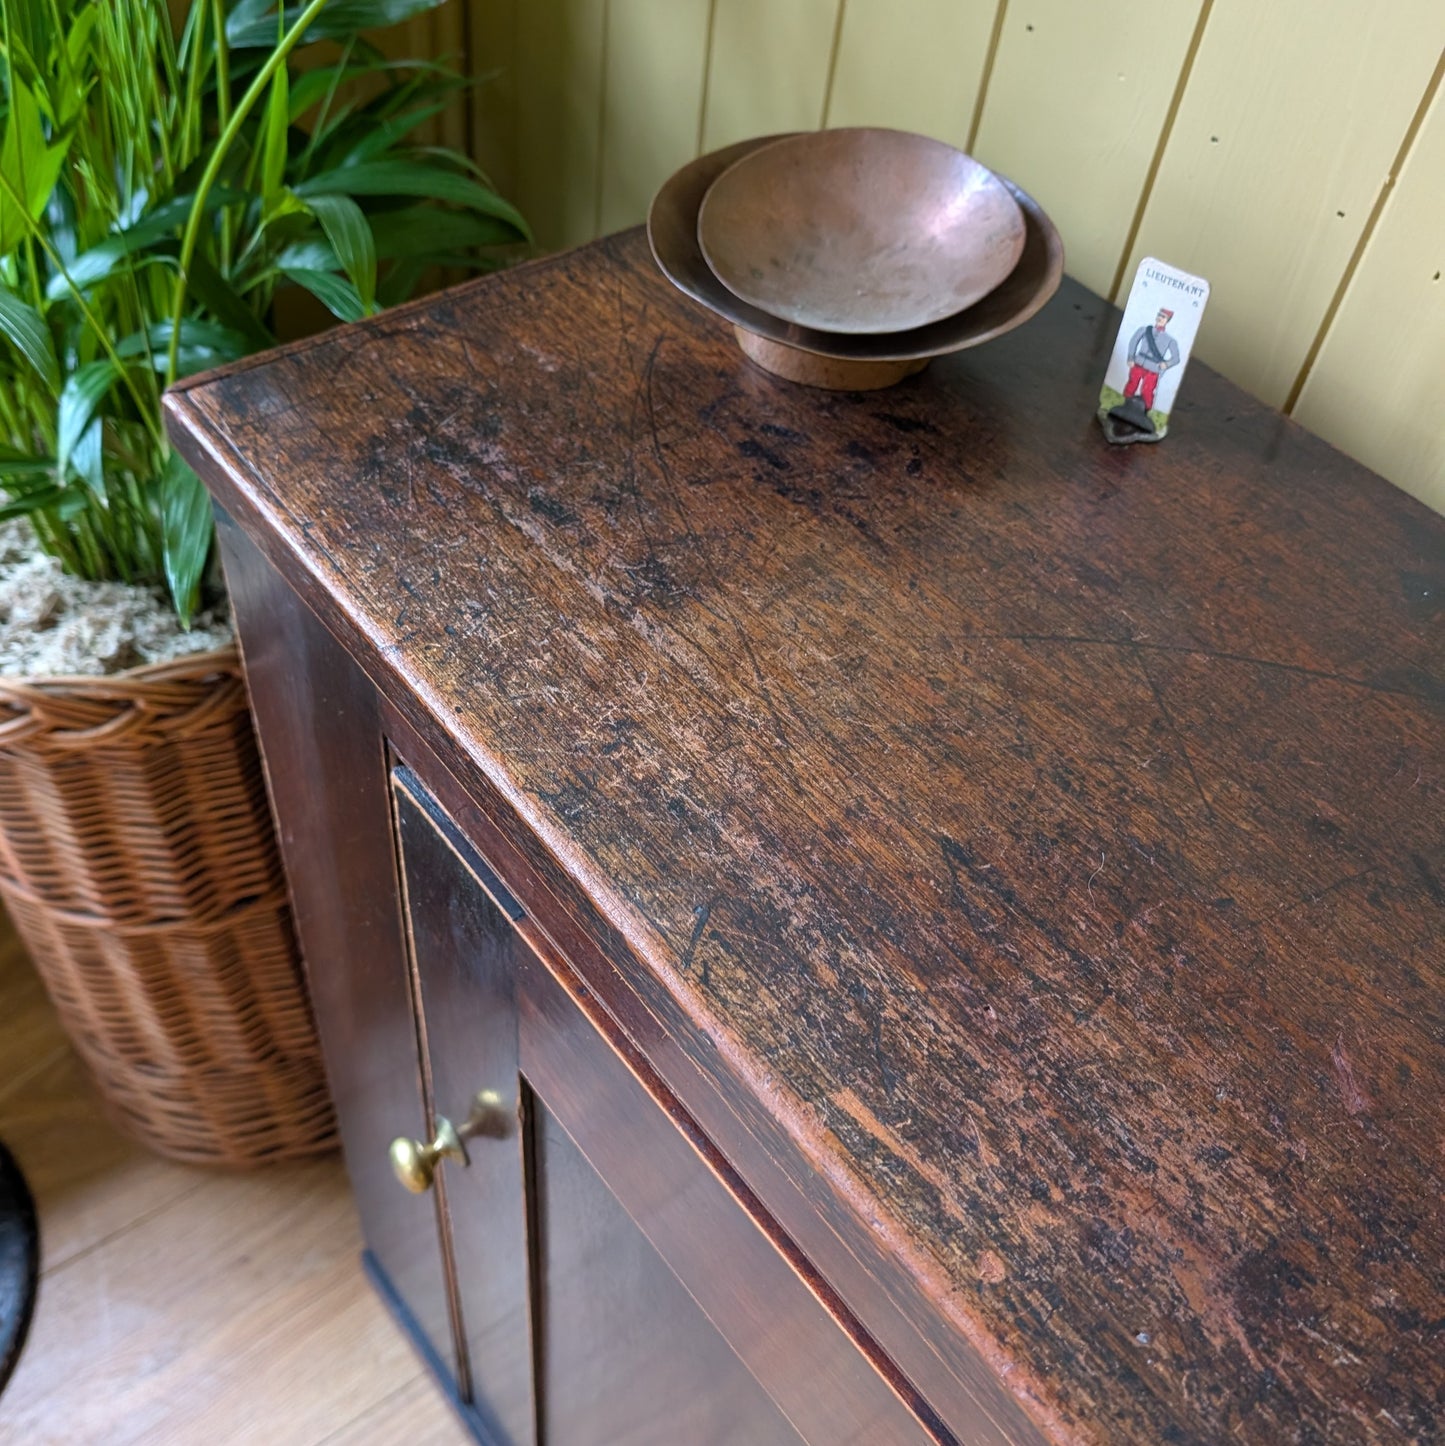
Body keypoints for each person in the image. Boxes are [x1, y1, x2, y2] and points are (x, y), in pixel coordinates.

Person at [1122, 308, 1180, 411]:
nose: (1160, 318)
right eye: (1159, 315)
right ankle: (1125, 405)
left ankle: (1145, 411)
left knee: (1147, 391)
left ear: (1167, 320)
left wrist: (1167, 364)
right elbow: (1133, 342)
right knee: (1132, 384)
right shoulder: (1144, 330)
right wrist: (1131, 357)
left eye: (1163, 317)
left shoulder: (1170, 340)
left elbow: (1176, 358)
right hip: (1139, 362)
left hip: (1154, 368)